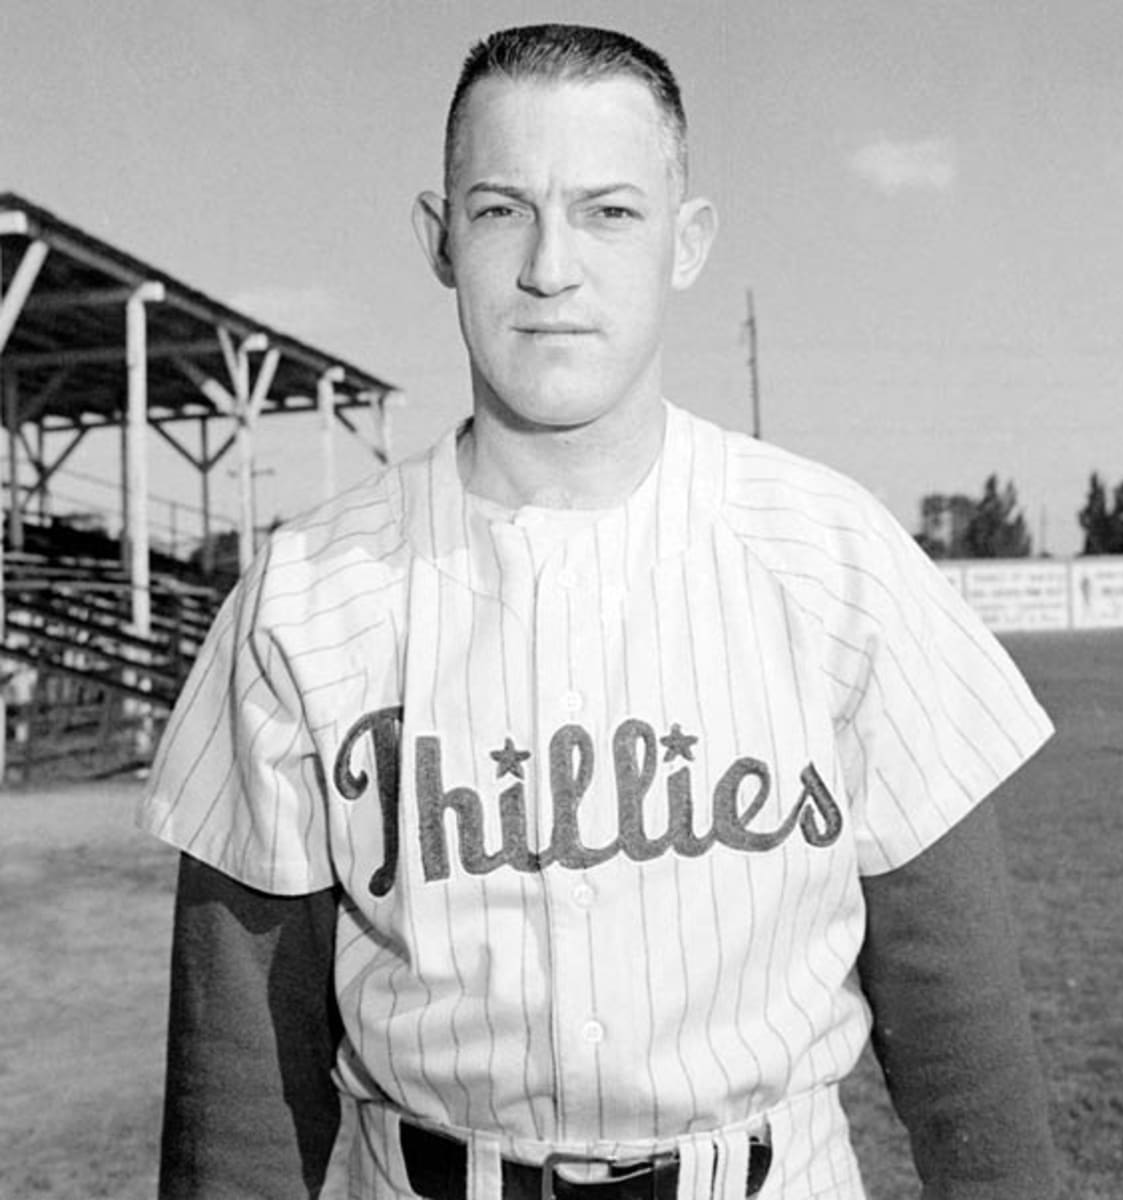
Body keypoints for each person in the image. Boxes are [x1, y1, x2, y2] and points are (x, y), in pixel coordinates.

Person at [138, 23, 1057, 1200]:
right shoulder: (305, 594)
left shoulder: (836, 559)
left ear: (687, 240)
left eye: (609, 212)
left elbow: (962, 1033)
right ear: (438, 239)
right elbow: (240, 1088)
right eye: (501, 210)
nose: (550, 268)